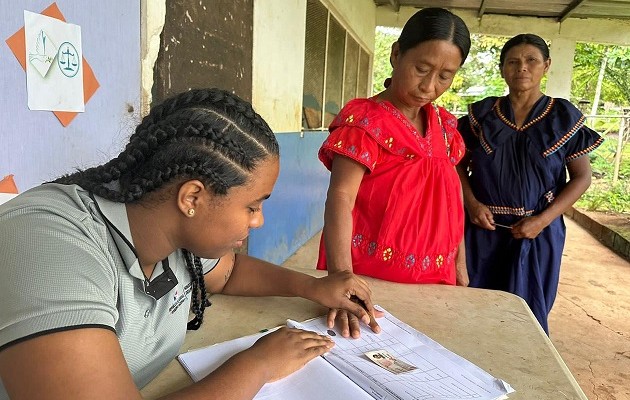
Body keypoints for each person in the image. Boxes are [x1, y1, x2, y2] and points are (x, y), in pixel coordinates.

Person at [0, 88, 381, 400]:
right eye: (252, 206)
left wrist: (312, 287)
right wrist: (258, 366)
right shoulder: (49, 245)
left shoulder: (167, 229)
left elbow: (228, 273)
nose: (258, 221)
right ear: (192, 198)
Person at [316, 8, 471, 337]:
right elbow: (341, 196)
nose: (429, 86)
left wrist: (459, 259)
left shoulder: (445, 127)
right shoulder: (365, 121)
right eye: (421, 68)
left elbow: (450, 196)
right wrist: (341, 277)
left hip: (436, 277)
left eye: (445, 75)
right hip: (373, 277)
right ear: (397, 54)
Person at [456, 33, 603, 334]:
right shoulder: (482, 115)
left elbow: (581, 178)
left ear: (546, 66)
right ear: (502, 69)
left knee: (527, 318)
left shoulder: (563, 117)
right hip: (482, 229)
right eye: (513, 61)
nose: (522, 67)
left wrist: (542, 220)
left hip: (537, 235)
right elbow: (456, 164)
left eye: (531, 60)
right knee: (474, 309)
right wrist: (471, 204)